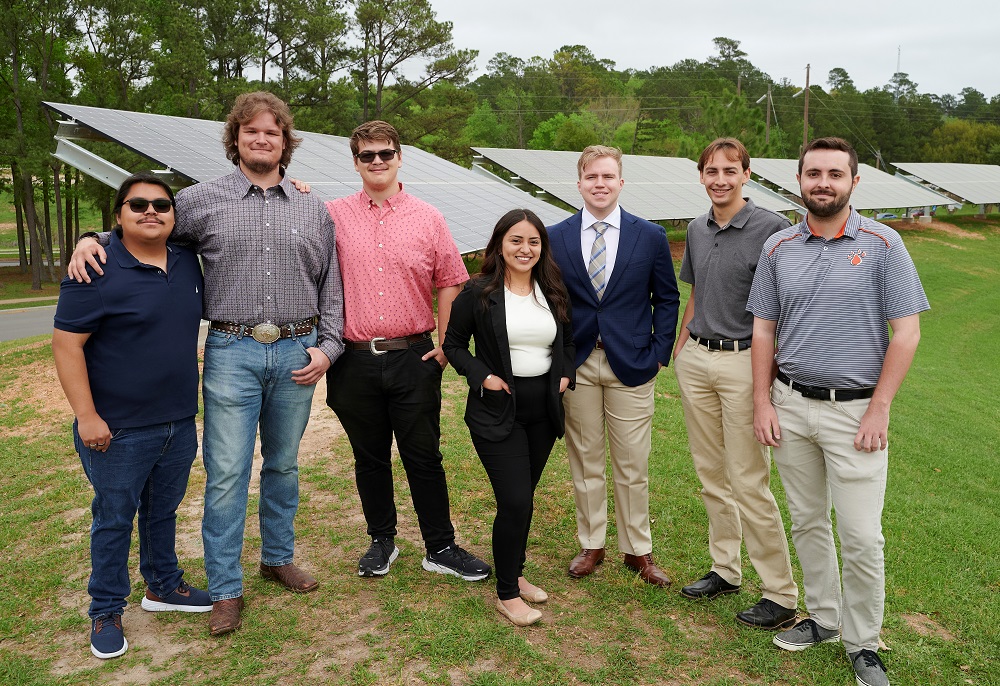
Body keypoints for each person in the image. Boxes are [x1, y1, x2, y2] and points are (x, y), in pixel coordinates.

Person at [67, 92, 344, 637]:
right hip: (231, 353)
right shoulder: (199, 200)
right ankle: (225, 589)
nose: (261, 139)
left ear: (286, 140)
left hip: (297, 352)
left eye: (272, 132)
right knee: (226, 476)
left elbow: (330, 280)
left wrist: (328, 346)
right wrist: (88, 239)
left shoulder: (314, 207)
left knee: (283, 466)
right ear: (235, 140)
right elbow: (143, 225)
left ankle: (277, 557)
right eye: (251, 132)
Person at [748, 137, 928, 686]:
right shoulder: (779, 246)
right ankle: (823, 619)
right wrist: (762, 400)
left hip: (856, 416)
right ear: (798, 181)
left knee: (861, 535)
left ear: (853, 182)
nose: (822, 183)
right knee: (807, 521)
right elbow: (763, 328)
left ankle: (864, 644)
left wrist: (880, 407)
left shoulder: (883, 243)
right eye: (812, 174)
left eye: (834, 174)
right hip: (792, 407)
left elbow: (907, 332)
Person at [54, 173, 211, 659]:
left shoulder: (187, 261)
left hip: (178, 421)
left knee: (162, 512)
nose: (151, 212)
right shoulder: (94, 268)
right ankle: (105, 608)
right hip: (116, 428)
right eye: (137, 204)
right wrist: (86, 416)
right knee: (115, 518)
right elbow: (66, 345)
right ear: (118, 214)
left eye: (161, 205)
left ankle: (163, 585)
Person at [324, 120, 490, 582]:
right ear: (355, 162)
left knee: (423, 455)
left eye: (385, 153)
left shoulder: (428, 217)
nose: (377, 162)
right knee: (369, 456)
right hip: (353, 358)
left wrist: (443, 342)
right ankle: (382, 540)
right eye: (367, 155)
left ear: (400, 157)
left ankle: (440, 545)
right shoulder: (331, 214)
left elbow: (449, 280)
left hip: (413, 356)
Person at [673, 138, 798, 630]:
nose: (720, 179)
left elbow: (785, 308)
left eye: (730, 170)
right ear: (701, 176)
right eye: (711, 171)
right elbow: (699, 291)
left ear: (747, 173)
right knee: (711, 474)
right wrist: (683, 343)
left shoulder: (773, 230)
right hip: (697, 360)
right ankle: (725, 568)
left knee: (749, 479)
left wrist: (766, 378)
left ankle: (780, 593)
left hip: (746, 364)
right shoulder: (696, 228)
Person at [548, 145, 679, 586]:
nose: (599, 184)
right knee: (585, 459)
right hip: (579, 364)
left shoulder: (651, 236)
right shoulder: (557, 236)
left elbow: (667, 298)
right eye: (591, 177)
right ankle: (592, 543)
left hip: (632, 364)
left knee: (631, 463)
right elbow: (552, 300)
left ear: (621, 182)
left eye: (608, 177)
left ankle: (637, 550)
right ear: (580, 183)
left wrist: (660, 353)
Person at [443, 209, 575, 626]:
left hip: (543, 407)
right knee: (515, 499)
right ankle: (506, 594)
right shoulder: (479, 291)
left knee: (525, 498)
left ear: (542, 247)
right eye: (516, 240)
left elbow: (567, 340)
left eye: (533, 241)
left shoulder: (551, 288)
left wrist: (566, 373)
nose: (525, 248)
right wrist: (484, 377)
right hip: (498, 408)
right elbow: (453, 344)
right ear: (500, 243)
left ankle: (515, 574)